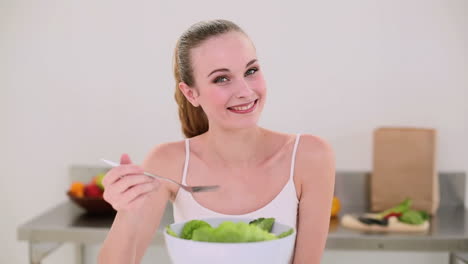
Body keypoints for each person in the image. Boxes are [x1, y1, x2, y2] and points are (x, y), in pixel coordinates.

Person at [98, 19, 335, 264]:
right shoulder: (168, 162)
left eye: (251, 71)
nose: (244, 91)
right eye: (222, 79)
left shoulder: (309, 156)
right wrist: (126, 212)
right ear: (191, 93)